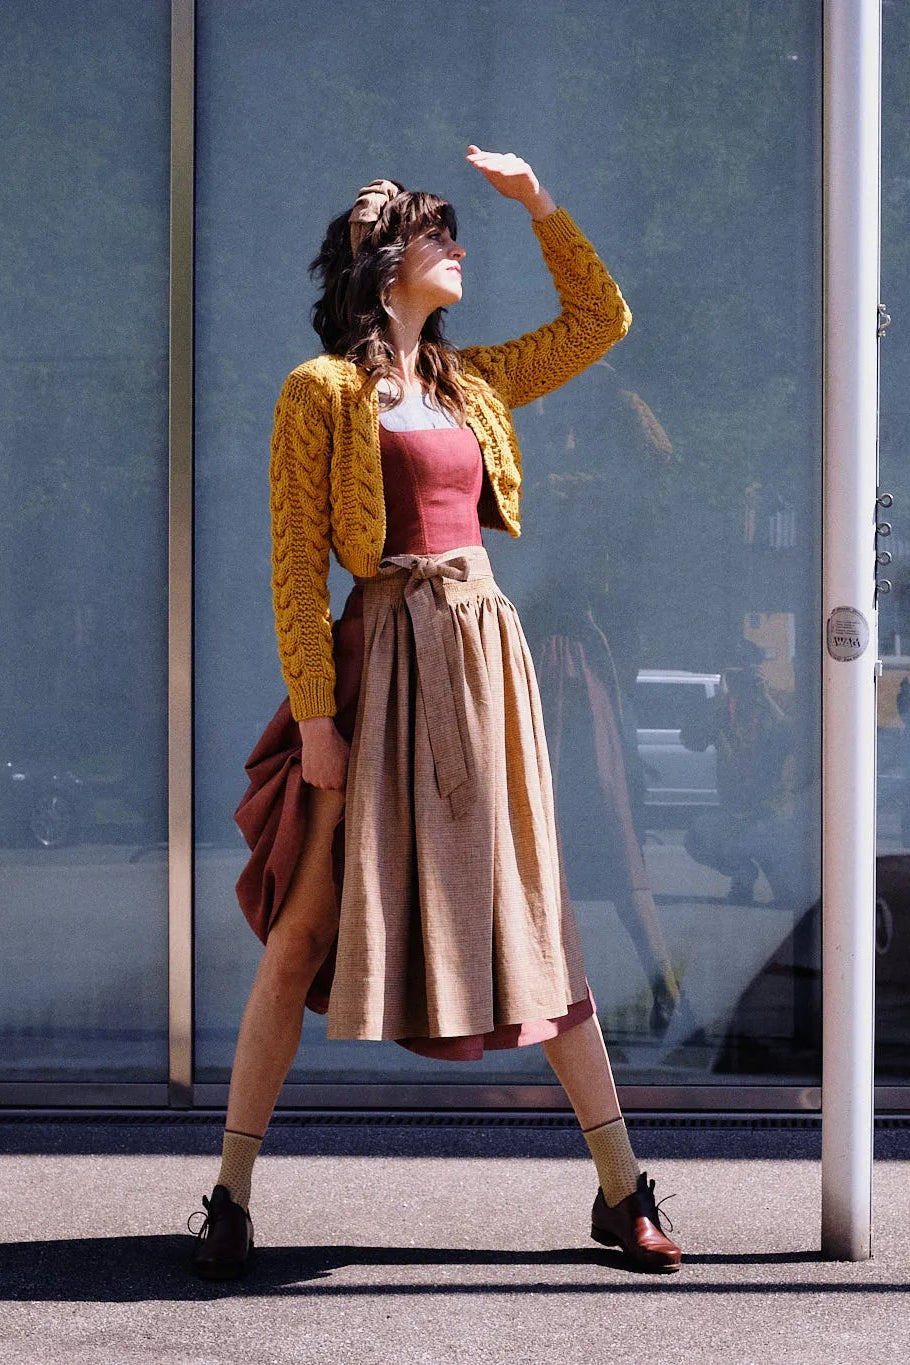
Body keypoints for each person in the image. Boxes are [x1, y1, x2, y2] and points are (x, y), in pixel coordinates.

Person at [190, 146, 681, 1279]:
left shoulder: (476, 384)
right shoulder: (316, 392)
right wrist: (314, 717)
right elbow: (292, 571)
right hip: (379, 665)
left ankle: (622, 1190)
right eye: (437, 235)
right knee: (304, 926)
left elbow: (601, 319)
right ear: (381, 264)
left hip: (481, 660)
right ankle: (229, 1193)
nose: (459, 249)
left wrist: (538, 201)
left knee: (538, 923)